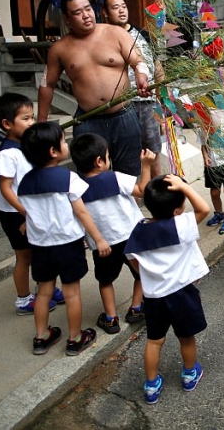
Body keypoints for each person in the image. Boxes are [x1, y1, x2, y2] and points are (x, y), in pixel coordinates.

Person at [17, 122, 109, 356]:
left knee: (44, 292)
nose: (66, 144)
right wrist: (98, 238)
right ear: (53, 151)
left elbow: (32, 209)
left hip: (40, 246)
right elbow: (81, 212)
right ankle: (75, 338)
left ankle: (41, 337)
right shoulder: (68, 178)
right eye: (62, 140)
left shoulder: (25, 182)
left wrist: (28, 223)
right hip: (68, 244)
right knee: (72, 292)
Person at [38, 0, 151, 177]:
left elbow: (138, 62)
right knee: (90, 177)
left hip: (123, 115)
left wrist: (142, 76)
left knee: (129, 176)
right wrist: (41, 123)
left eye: (88, 9)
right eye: (77, 12)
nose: (86, 15)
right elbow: (47, 85)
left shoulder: (116, 33)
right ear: (67, 19)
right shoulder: (59, 48)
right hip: (87, 119)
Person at [125, 174, 210, 405]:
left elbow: (131, 257)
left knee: (154, 341)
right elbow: (204, 209)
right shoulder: (180, 225)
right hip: (182, 294)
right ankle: (189, 374)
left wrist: (148, 274)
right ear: (177, 210)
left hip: (154, 297)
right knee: (186, 338)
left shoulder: (139, 230)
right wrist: (184, 186)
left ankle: (151, 385)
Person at [69, 133, 155, 333]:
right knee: (141, 273)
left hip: (103, 244)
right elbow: (142, 190)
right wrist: (146, 166)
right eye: (108, 156)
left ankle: (111, 318)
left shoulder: (78, 188)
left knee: (105, 280)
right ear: (99, 161)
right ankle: (136, 308)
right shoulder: (115, 178)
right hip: (132, 237)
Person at [0, 92, 63, 315]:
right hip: (15, 213)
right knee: (24, 256)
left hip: (31, 210)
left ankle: (44, 288)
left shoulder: (27, 147)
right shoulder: (7, 155)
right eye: (25, 118)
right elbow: (6, 189)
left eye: (32, 117)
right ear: (7, 124)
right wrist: (24, 211)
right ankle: (23, 299)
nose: (32, 122)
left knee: (41, 251)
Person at [101, 0, 165, 179]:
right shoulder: (103, 37)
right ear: (105, 13)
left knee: (153, 150)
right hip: (120, 104)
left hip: (147, 102)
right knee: (126, 153)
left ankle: (156, 190)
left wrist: (163, 104)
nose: (122, 11)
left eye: (124, 6)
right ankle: (132, 192)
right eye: (115, 8)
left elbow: (157, 67)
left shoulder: (143, 34)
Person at [199, 113, 224, 235]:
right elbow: (203, 145)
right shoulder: (203, 127)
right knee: (214, 192)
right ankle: (219, 214)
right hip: (212, 165)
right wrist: (205, 156)